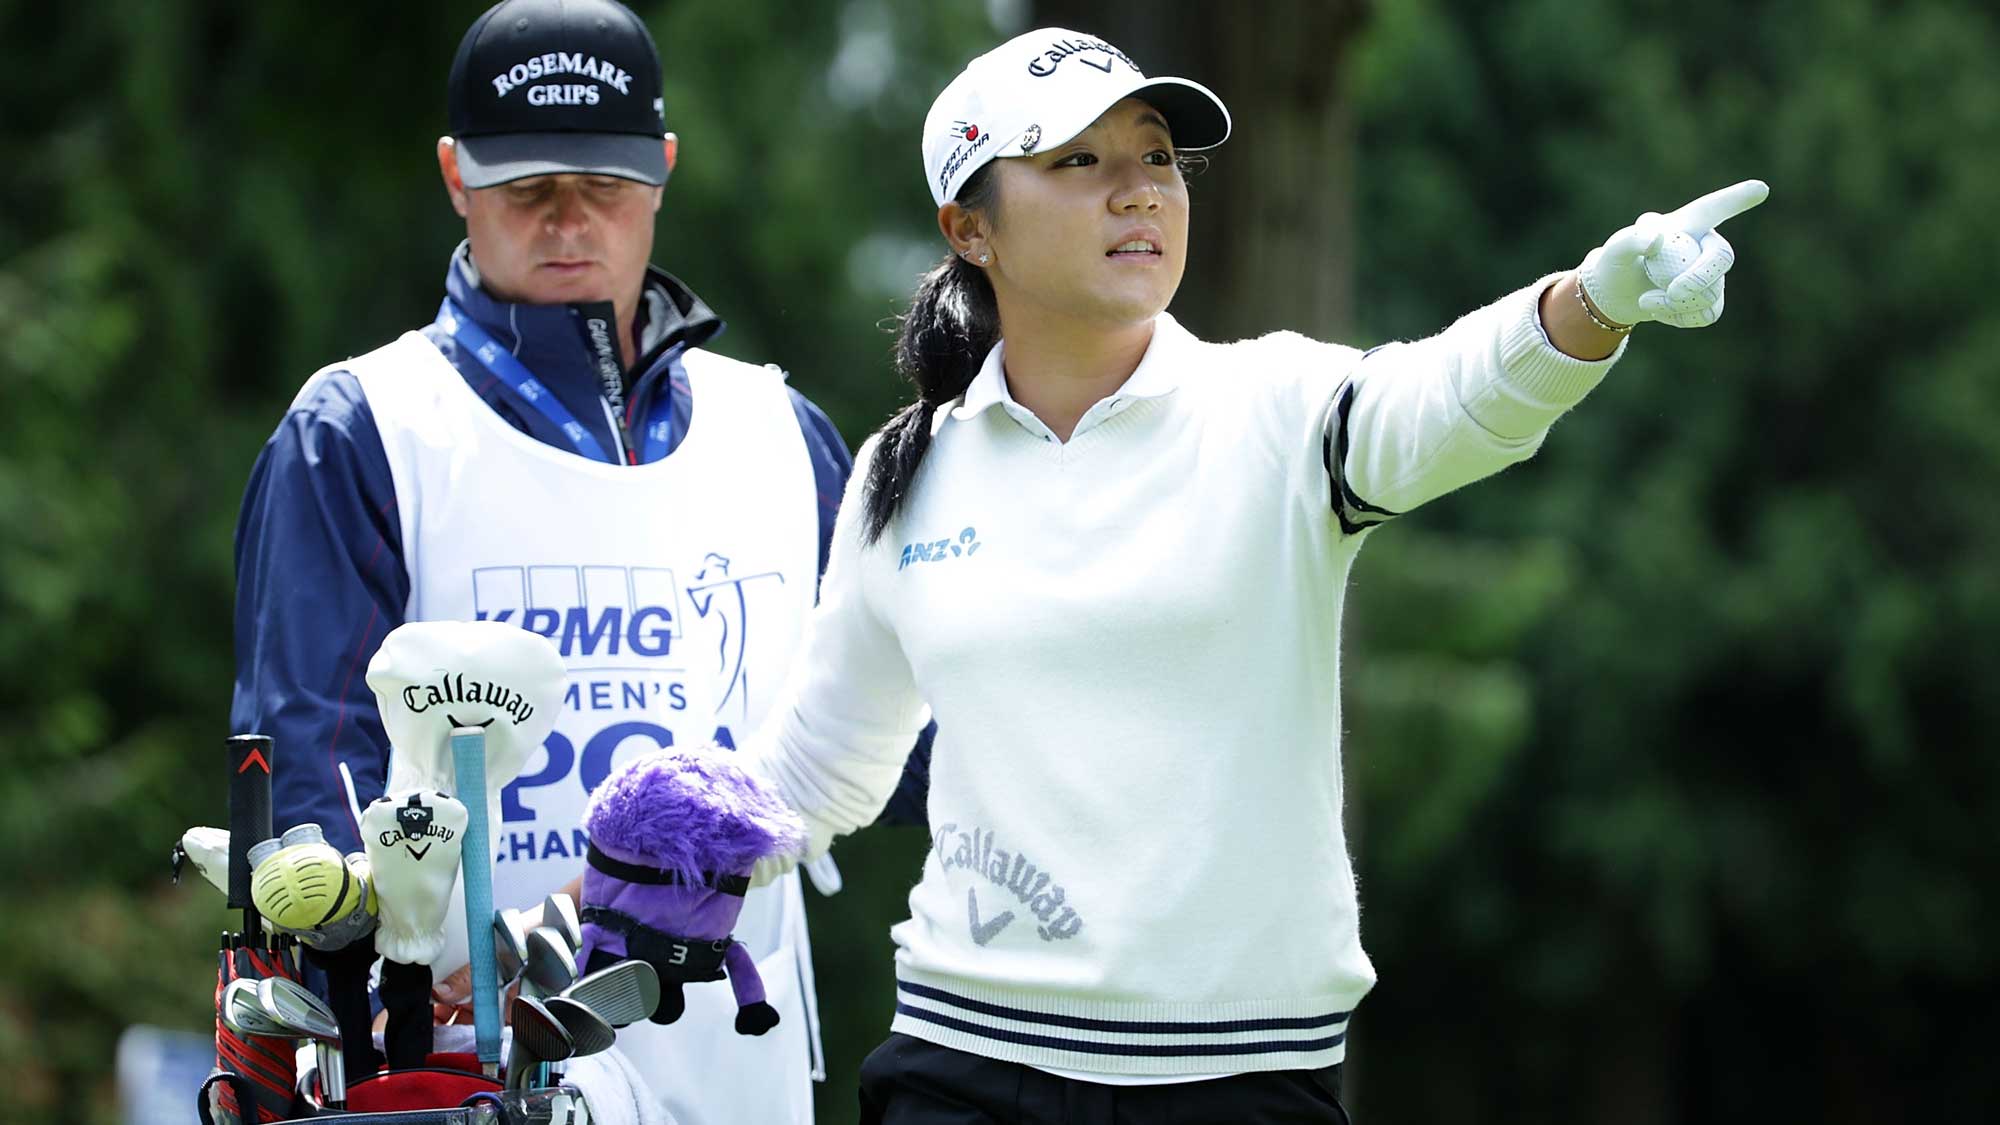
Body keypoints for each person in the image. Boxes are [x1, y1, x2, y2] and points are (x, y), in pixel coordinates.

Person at [738, 26, 1768, 1125]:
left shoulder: (1276, 408)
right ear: (969, 227)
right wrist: (622, 876)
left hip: (1238, 1085)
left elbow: (1452, 404)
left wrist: (1589, 303)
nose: (1137, 192)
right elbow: (818, 769)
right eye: (1077, 162)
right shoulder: (908, 470)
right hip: (962, 1066)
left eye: (1155, 158)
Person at [228, 1, 925, 1120]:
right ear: (455, 175)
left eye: (600, 184)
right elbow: (305, 782)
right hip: (457, 1062)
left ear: (661, 168)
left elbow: (893, 737)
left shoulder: (780, 432)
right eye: (524, 188)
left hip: (734, 1058)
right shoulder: (364, 426)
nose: (565, 222)